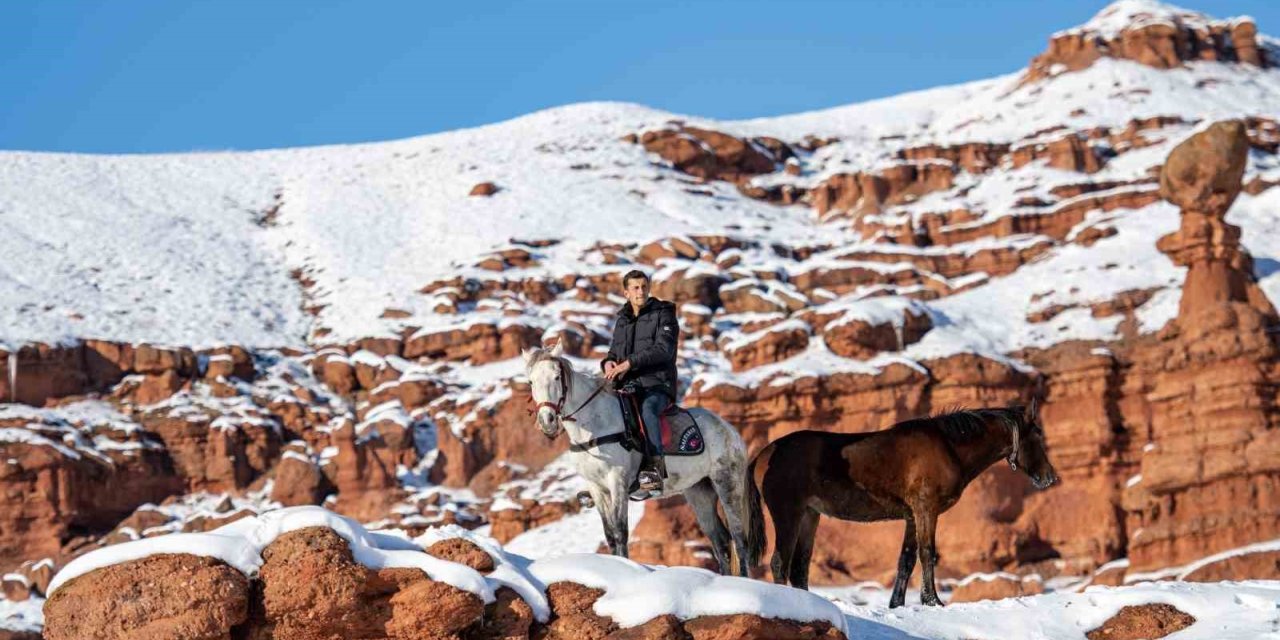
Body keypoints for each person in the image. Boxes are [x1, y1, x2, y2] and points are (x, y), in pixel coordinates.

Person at [602, 269, 679, 492]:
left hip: (657, 384)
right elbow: (614, 352)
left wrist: (629, 364)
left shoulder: (664, 313)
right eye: (635, 287)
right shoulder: (622, 320)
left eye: (644, 286)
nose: (641, 291)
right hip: (627, 385)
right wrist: (608, 363)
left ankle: (655, 469)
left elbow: (664, 349)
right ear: (626, 293)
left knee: (647, 410)